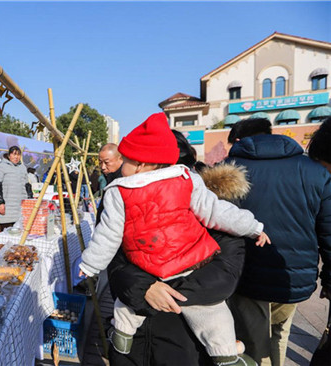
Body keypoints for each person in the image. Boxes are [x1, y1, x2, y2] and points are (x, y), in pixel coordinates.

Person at [79, 113, 268, 365]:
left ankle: (123, 332)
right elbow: (117, 262)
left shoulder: (119, 193)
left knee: (127, 310)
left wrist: (90, 265)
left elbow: (107, 241)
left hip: (181, 345)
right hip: (181, 275)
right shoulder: (187, 185)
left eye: (124, 159)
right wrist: (254, 227)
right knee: (214, 316)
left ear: (142, 164)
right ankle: (225, 355)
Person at [225, 118, 331, 366]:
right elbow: (328, 232)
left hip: (246, 276)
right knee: (281, 334)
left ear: (240, 141)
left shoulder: (228, 169)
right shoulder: (315, 171)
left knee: (252, 341)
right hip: (292, 277)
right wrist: (328, 279)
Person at [0, 146, 33, 229]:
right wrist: (0, 203)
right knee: (5, 235)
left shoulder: (23, 168)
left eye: (18, 155)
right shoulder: (2, 166)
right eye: (14, 154)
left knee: (20, 234)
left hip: (21, 206)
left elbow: (27, 185)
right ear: (9, 155)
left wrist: (30, 200)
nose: (16, 157)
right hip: (8, 206)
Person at [96, 143, 123, 224]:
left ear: (120, 159)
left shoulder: (124, 180)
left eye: (106, 162)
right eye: (100, 162)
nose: (103, 167)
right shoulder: (109, 175)